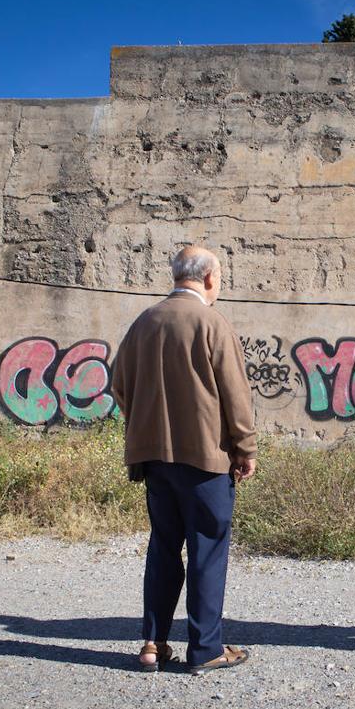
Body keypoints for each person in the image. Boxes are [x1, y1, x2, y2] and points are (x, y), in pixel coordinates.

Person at [111, 244, 257, 674]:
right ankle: (206, 648)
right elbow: (236, 397)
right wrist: (245, 449)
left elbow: (119, 386)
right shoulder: (212, 324)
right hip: (205, 461)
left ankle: (153, 645)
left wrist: (147, 427)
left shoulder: (144, 323)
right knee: (207, 550)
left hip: (153, 459)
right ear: (210, 279)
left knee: (163, 547)